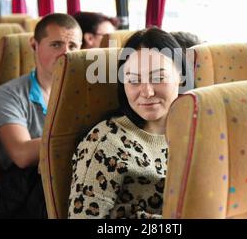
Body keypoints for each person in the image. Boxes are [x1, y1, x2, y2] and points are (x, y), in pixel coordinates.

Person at [68, 27, 189, 219]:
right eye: (133, 80)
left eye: (158, 77)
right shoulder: (106, 142)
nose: (147, 92)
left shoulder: (199, 133)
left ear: (181, 77)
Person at [0, 13, 82, 218]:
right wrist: (84, 140)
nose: (65, 54)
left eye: (73, 46)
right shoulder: (9, 94)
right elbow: (21, 154)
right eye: (56, 45)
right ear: (34, 44)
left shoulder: (86, 93)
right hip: (28, 187)